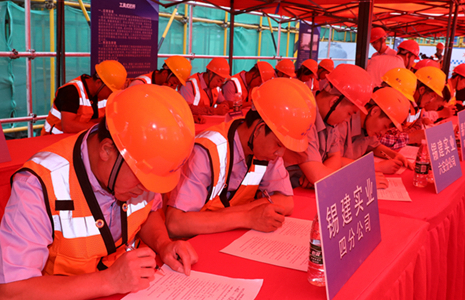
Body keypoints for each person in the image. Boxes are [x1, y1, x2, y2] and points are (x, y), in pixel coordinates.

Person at [0, 85, 198, 300]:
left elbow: (148, 212)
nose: (146, 189)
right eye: (142, 181)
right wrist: (109, 280)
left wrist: (164, 244)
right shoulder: (39, 184)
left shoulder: (140, 167)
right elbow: (9, 297)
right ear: (107, 150)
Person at [165, 78, 316, 238]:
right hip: (194, 241)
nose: (281, 154)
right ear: (259, 129)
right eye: (279, 144)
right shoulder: (206, 151)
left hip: (225, 236)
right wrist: (247, 217)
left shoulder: (266, 152)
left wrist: (239, 215)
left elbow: (286, 202)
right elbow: (175, 223)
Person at [283, 64, 374, 188]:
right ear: (334, 102)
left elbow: (335, 157)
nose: (346, 120)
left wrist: (322, 174)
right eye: (349, 113)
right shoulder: (301, 113)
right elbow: (317, 176)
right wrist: (360, 180)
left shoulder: (330, 120)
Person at [328, 86, 412, 174]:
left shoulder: (368, 126)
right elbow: (334, 160)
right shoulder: (342, 122)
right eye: (384, 126)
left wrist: (395, 155)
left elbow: (374, 146)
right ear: (374, 111)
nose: (383, 133)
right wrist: (376, 167)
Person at [41, 60, 126, 135]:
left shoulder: (100, 95)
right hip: (53, 140)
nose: (111, 95)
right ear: (98, 83)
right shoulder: (71, 91)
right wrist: (100, 126)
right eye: (110, 91)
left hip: (76, 139)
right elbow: (68, 126)